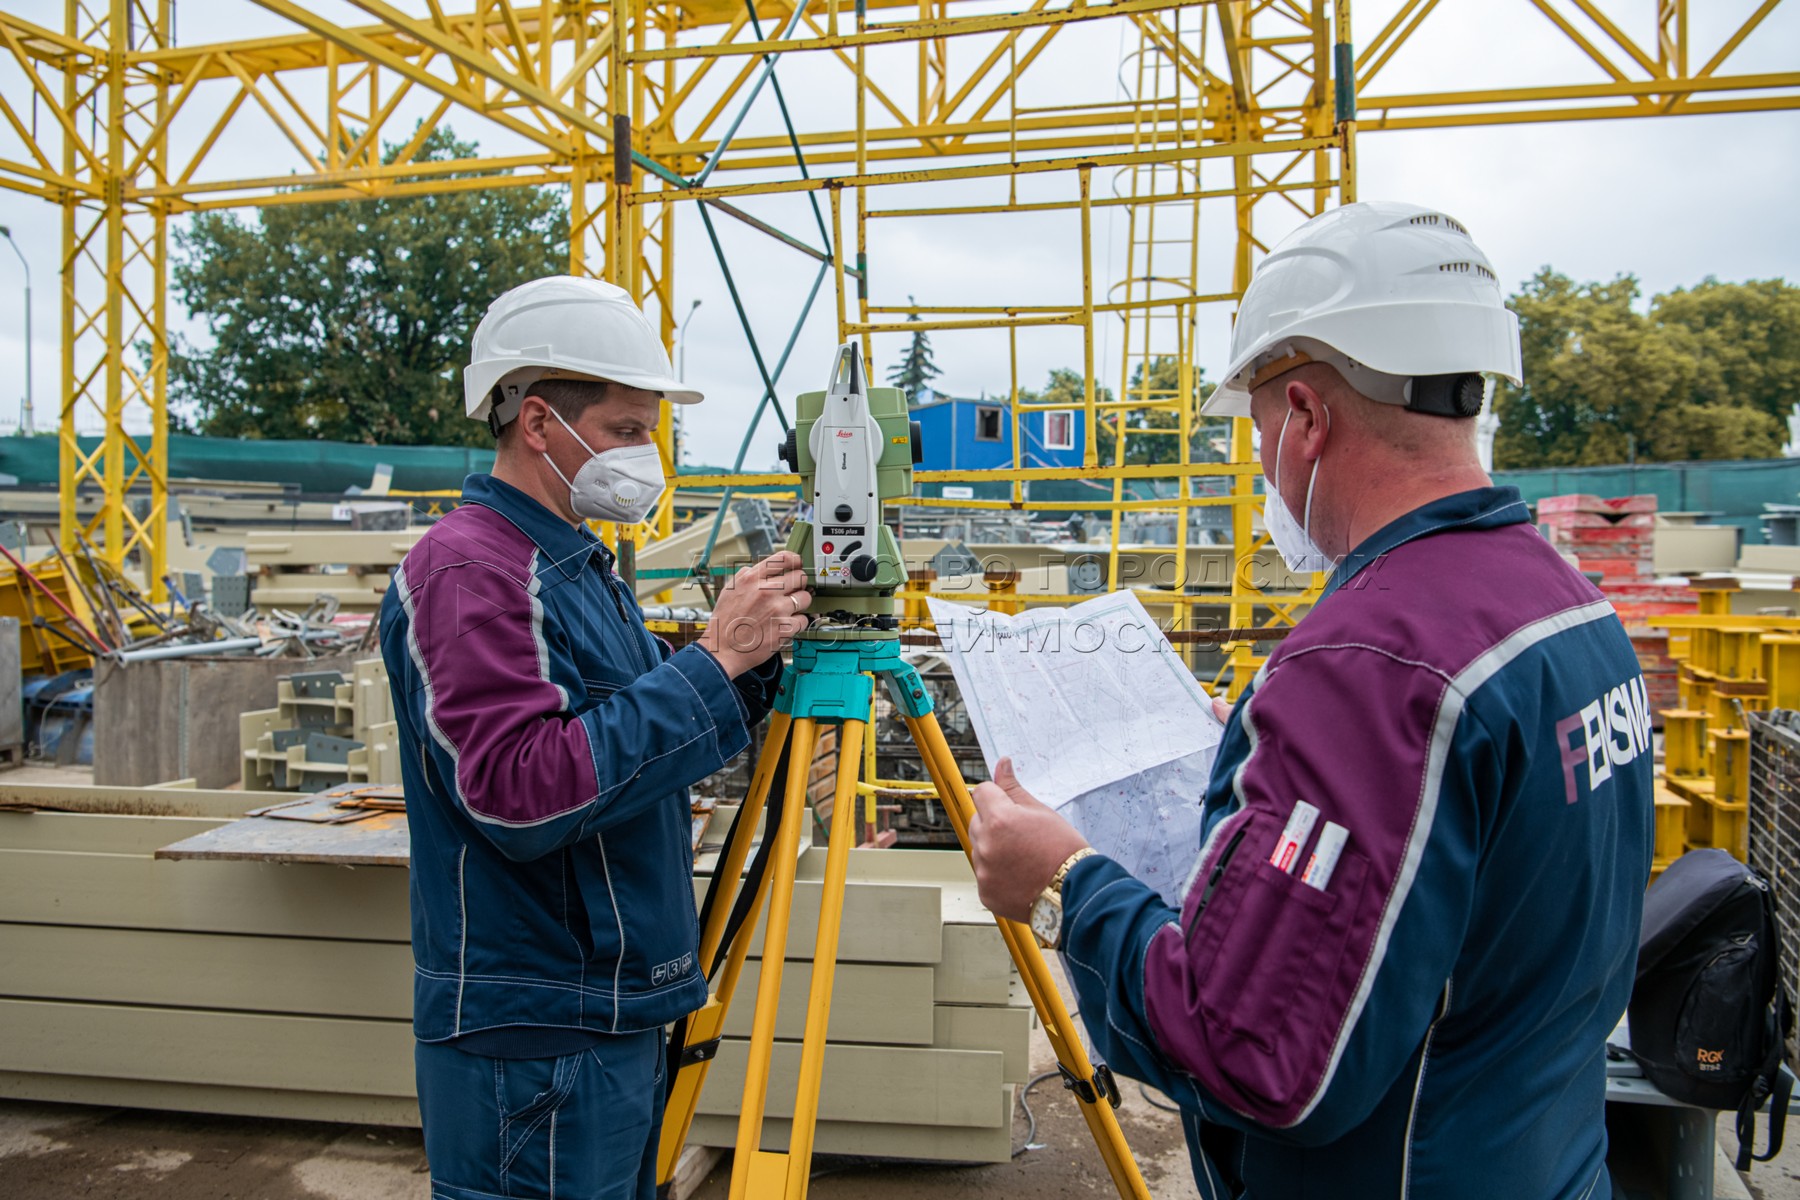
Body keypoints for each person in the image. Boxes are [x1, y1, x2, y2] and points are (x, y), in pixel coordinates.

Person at [966, 202, 1654, 1198]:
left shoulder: (1369, 665)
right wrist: (1281, 776)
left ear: (1306, 418)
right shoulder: (1566, 606)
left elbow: (1252, 1057)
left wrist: (1065, 883)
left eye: (1255, 425)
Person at [380, 276, 811, 1200]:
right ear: (539, 423)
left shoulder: (573, 566)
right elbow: (519, 792)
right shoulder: (468, 572)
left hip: (605, 1008)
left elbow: (637, 713)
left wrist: (760, 658)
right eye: (628, 431)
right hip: (535, 1029)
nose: (647, 456)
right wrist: (712, 663)